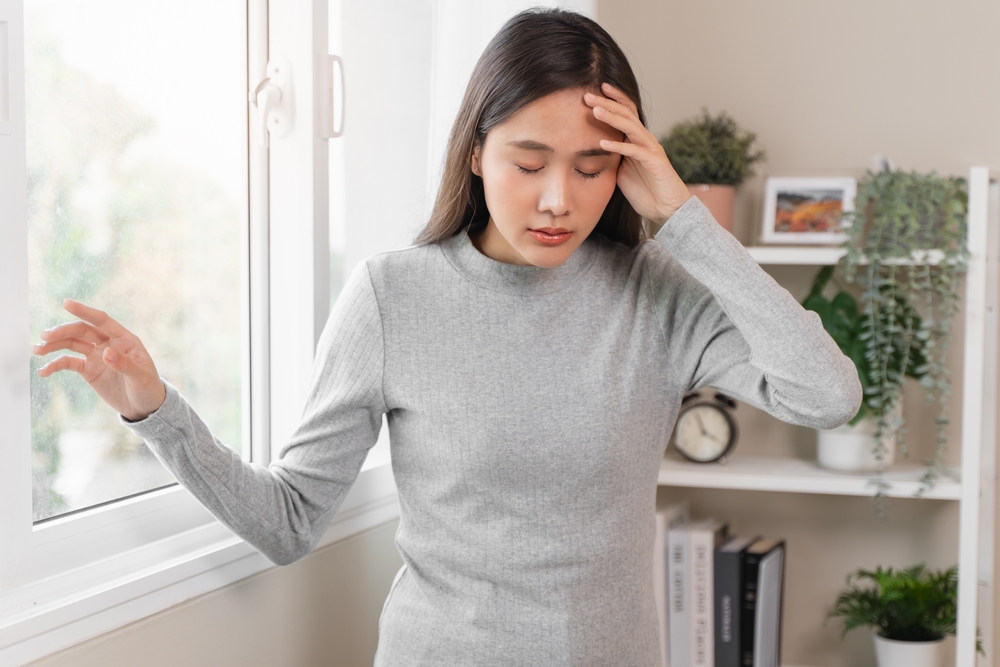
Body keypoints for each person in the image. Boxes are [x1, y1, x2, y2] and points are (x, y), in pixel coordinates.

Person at [33, 8, 861, 666]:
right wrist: (159, 412)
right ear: (474, 152)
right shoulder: (394, 295)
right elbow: (288, 522)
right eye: (528, 162)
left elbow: (827, 395)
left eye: (591, 166)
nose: (556, 201)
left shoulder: (659, 294)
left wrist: (684, 220)